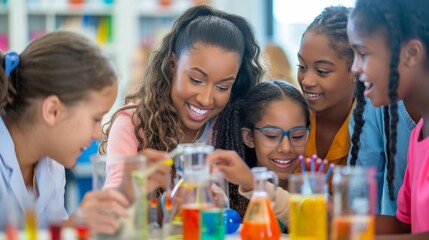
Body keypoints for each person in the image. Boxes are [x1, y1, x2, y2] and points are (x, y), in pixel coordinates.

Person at [0, 31, 168, 233]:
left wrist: (124, 193)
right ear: (53, 111)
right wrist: (69, 229)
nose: (98, 134)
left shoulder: (52, 165)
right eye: (96, 119)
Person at [100, 5, 263, 189]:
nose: (206, 99)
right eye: (196, 80)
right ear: (172, 65)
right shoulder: (132, 124)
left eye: (222, 87)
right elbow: (115, 203)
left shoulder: (229, 127)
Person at [347, 0, 429, 237]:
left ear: (411, 53)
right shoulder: (419, 134)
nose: (354, 67)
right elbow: (404, 226)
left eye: (362, 53)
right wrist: (332, 214)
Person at [213, 80, 310, 219]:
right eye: (272, 136)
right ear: (249, 137)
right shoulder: (225, 197)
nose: (286, 148)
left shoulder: (314, 194)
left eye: (297, 136)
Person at [295, 6, 356, 189]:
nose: (306, 81)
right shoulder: (293, 118)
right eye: (302, 66)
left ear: (356, 69)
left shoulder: (373, 128)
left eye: (322, 71)